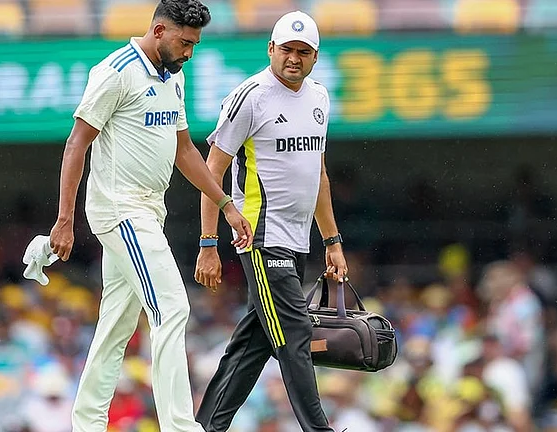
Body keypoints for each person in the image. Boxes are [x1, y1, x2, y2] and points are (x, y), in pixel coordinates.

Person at [47, 1, 253, 430]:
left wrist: (226, 205)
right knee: (172, 307)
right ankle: (180, 425)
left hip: (148, 211)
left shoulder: (172, 77)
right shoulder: (116, 71)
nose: (189, 53)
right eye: (184, 43)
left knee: (117, 324)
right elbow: (76, 144)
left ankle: (86, 422)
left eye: (195, 45)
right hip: (121, 210)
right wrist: (65, 219)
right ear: (159, 31)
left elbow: (185, 151)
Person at [193, 11, 348, 432]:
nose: (293, 58)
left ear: (315, 57)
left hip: (298, 239)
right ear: (271, 49)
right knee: (295, 332)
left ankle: (206, 426)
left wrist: (331, 240)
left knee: (254, 343)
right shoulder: (250, 96)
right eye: (286, 49)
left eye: (303, 52)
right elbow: (212, 170)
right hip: (259, 237)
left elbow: (318, 174)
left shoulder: (319, 97)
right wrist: (208, 243)